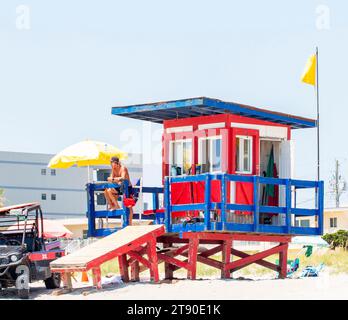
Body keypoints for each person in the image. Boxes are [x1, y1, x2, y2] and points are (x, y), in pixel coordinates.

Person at [104, 157, 134, 225]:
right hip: (119, 187)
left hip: (127, 188)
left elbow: (122, 178)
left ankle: (130, 223)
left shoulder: (123, 168)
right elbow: (109, 179)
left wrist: (114, 179)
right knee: (106, 191)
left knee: (129, 207)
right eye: (111, 163)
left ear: (116, 163)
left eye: (112, 163)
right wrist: (116, 179)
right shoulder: (113, 169)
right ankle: (114, 205)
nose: (111, 165)